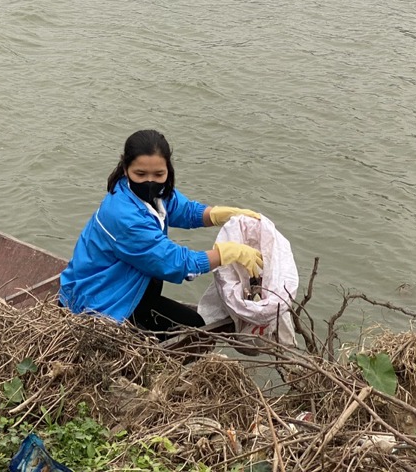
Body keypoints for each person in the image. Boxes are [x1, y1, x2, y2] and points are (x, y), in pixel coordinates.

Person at [58, 129, 263, 336]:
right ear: (126, 168)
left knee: (194, 327)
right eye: (140, 174)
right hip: (101, 303)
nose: (150, 182)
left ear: (168, 170)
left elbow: (185, 210)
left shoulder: (157, 194)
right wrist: (225, 254)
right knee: (192, 334)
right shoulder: (124, 216)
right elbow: (175, 263)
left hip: (127, 288)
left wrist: (219, 214)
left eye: (158, 174)